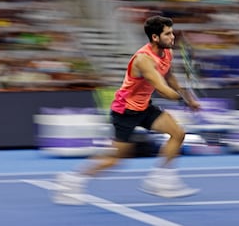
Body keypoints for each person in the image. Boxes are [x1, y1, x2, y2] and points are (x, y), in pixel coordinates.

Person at [52, 15, 201, 205]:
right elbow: (161, 87)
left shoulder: (167, 52)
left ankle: (160, 180)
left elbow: (169, 77)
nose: (173, 37)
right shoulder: (143, 60)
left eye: (172, 32)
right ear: (155, 37)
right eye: (168, 33)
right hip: (125, 111)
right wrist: (182, 100)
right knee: (116, 159)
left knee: (178, 133)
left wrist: (189, 98)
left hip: (144, 107)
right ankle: (71, 181)